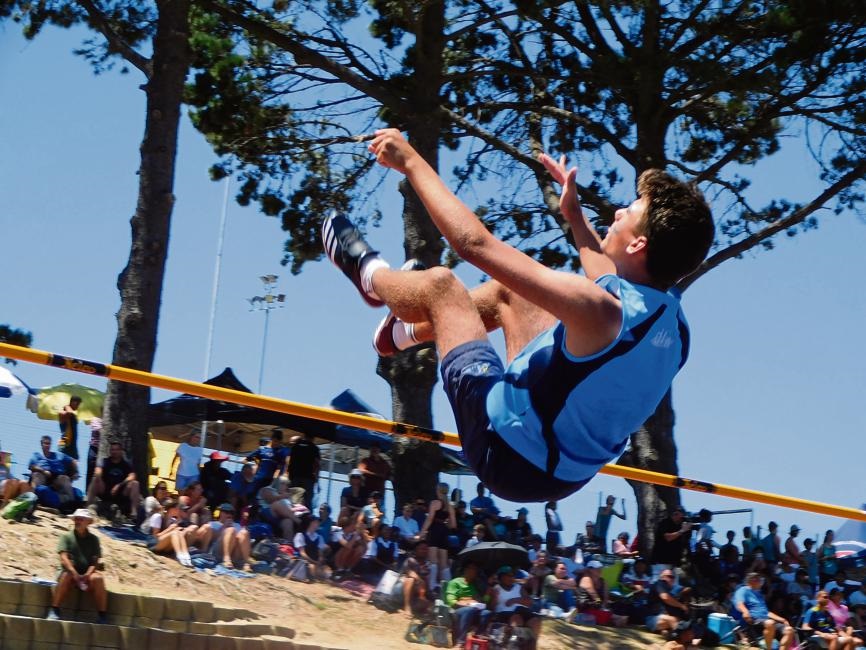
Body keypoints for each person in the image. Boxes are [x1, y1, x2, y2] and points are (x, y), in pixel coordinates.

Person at [322, 129, 713, 503]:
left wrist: (410, 161)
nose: (618, 210)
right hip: (558, 471)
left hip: (505, 453)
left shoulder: (600, 311)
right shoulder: (673, 327)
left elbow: (473, 245)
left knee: (441, 285)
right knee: (514, 295)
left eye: (630, 211)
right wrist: (574, 214)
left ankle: (370, 276)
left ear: (639, 243)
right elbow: (604, 272)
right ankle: (400, 335)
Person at [46, 508, 108, 623]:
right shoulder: (66, 537)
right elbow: (64, 558)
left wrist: (87, 575)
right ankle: (54, 609)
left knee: (98, 579)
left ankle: (102, 614)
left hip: (86, 574)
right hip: (70, 572)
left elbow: (95, 561)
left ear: (88, 522)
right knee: (66, 575)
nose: (77, 521)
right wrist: (75, 574)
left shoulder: (94, 539)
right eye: (76, 519)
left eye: (81, 519)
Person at [732, 572, 794, 650]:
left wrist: (782, 619)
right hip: (753, 621)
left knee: (789, 630)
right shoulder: (743, 590)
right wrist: (745, 611)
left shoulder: (759, 594)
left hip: (765, 621)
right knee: (770, 623)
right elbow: (739, 603)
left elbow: (767, 612)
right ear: (751, 581)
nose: (761, 582)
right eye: (758, 580)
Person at [86, 440, 141, 522]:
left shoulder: (126, 464)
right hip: (105, 490)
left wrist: (120, 485)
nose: (114, 452)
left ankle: (134, 514)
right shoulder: (105, 461)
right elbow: (98, 470)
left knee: (135, 483)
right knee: (95, 479)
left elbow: (132, 476)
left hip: (120, 492)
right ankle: (88, 507)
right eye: (112, 450)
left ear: (121, 451)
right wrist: (99, 478)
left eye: (116, 450)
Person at [489, 565, 541, 646]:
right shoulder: (496, 588)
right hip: (504, 613)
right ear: (501, 577)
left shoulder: (518, 587)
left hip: (522, 611)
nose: (511, 577)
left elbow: (529, 602)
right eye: (508, 575)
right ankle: (513, 645)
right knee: (516, 619)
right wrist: (494, 598)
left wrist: (515, 600)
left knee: (535, 621)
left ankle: (532, 646)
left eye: (512, 575)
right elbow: (492, 608)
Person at [445, 562, 491, 647]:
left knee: (486, 613)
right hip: (456, 610)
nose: (474, 571)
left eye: (476, 570)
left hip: (472, 610)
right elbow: (451, 601)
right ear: (466, 570)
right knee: (469, 609)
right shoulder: (455, 582)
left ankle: (477, 639)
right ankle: (460, 642)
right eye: (472, 569)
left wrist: (487, 594)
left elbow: (480, 602)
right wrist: (467, 602)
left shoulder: (473, 585)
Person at [420, 482, 456, 586]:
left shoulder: (434, 503)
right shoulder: (450, 506)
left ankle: (431, 587)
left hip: (434, 530)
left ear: (438, 490)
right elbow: (453, 525)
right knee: (444, 564)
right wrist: (445, 523)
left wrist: (422, 532)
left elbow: (429, 519)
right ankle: (448, 589)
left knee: (433, 561)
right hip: (444, 532)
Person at [29, 435, 78, 506]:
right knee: (36, 475)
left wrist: (75, 472)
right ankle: (33, 501)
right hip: (42, 475)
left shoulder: (58, 455)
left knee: (65, 478)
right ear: (41, 444)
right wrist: (43, 471)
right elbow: (32, 466)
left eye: (49, 443)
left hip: (56, 478)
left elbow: (73, 461)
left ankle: (71, 504)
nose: (47, 445)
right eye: (45, 443)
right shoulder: (36, 455)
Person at [650, 507, 692, 578]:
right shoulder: (665, 523)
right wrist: (681, 531)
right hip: (661, 562)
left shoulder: (681, 525)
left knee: (674, 586)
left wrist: (687, 529)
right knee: (658, 583)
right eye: (680, 516)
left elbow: (685, 542)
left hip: (674, 563)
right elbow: (667, 537)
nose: (682, 518)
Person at [645, 568, 689, 634]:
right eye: (669, 576)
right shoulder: (660, 583)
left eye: (672, 577)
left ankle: (666, 631)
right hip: (652, 619)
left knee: (681, 621)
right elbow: (665, 597)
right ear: (662, 577)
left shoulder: (671, 589)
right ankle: (679, 640)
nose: (671, 579)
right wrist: (681, 605)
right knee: (673, 620)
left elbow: (687, 589)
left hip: (662, 618)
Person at [288, 430, 320, 509]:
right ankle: (305, 518)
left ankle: (290, 514)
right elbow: (317, 464)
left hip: (295, 477)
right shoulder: (314, 448)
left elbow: (289, 461)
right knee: (307, 501)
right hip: (308, 478)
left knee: (291, 499)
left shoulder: (295, 446)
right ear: (313, 438)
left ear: (304, 436)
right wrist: (317, 479)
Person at [401, 540, 433, 617]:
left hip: (416, 592)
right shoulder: (410, 560)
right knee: (411, 579)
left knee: (427, 604)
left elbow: (426, 581)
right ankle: (407, 607)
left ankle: (414, 606)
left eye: (426, 549)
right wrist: (420, 580)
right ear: (415, 550)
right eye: (421, 549)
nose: (424, 551)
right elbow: (410, 573)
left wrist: (427, 596)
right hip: (401, 589)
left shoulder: (427, 564)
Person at [356, 442, 389, 513]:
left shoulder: (384, 463)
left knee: (376, 515)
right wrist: (376, 475)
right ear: (369, 450)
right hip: (366, 493)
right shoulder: (365, 460)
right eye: (372, 449)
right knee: (365, 513)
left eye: (376, 449)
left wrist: (371, 474)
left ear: (379, 450)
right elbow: (361, 470)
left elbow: (387, 475)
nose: (374, 450)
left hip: (379, 495)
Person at [293, 517, 329, 581]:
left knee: (325, 572)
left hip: (314, 563)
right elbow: (302, 553)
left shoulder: (319, 537)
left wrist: (319, 561)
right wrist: (314, 562)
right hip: (302, 561)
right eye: (316, 522)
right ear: (311, 523)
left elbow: (320, 554)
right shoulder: (300, 535)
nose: (318, 524)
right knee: (314, 570)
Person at [57, 396, 82, 460]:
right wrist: (67, 406)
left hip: (72, 446)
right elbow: (69, 413)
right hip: (64, 444)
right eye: (77, 404)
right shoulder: (62, 412)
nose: (78, 406)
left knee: (73, 469)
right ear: (72, 402)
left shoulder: (73, 416)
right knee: (62, 467)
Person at [85, 415, 102, 487]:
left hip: (105, 449)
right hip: (94, 448)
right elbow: (99, 431)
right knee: (91, 470)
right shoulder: (95, 419)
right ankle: (88, 492)